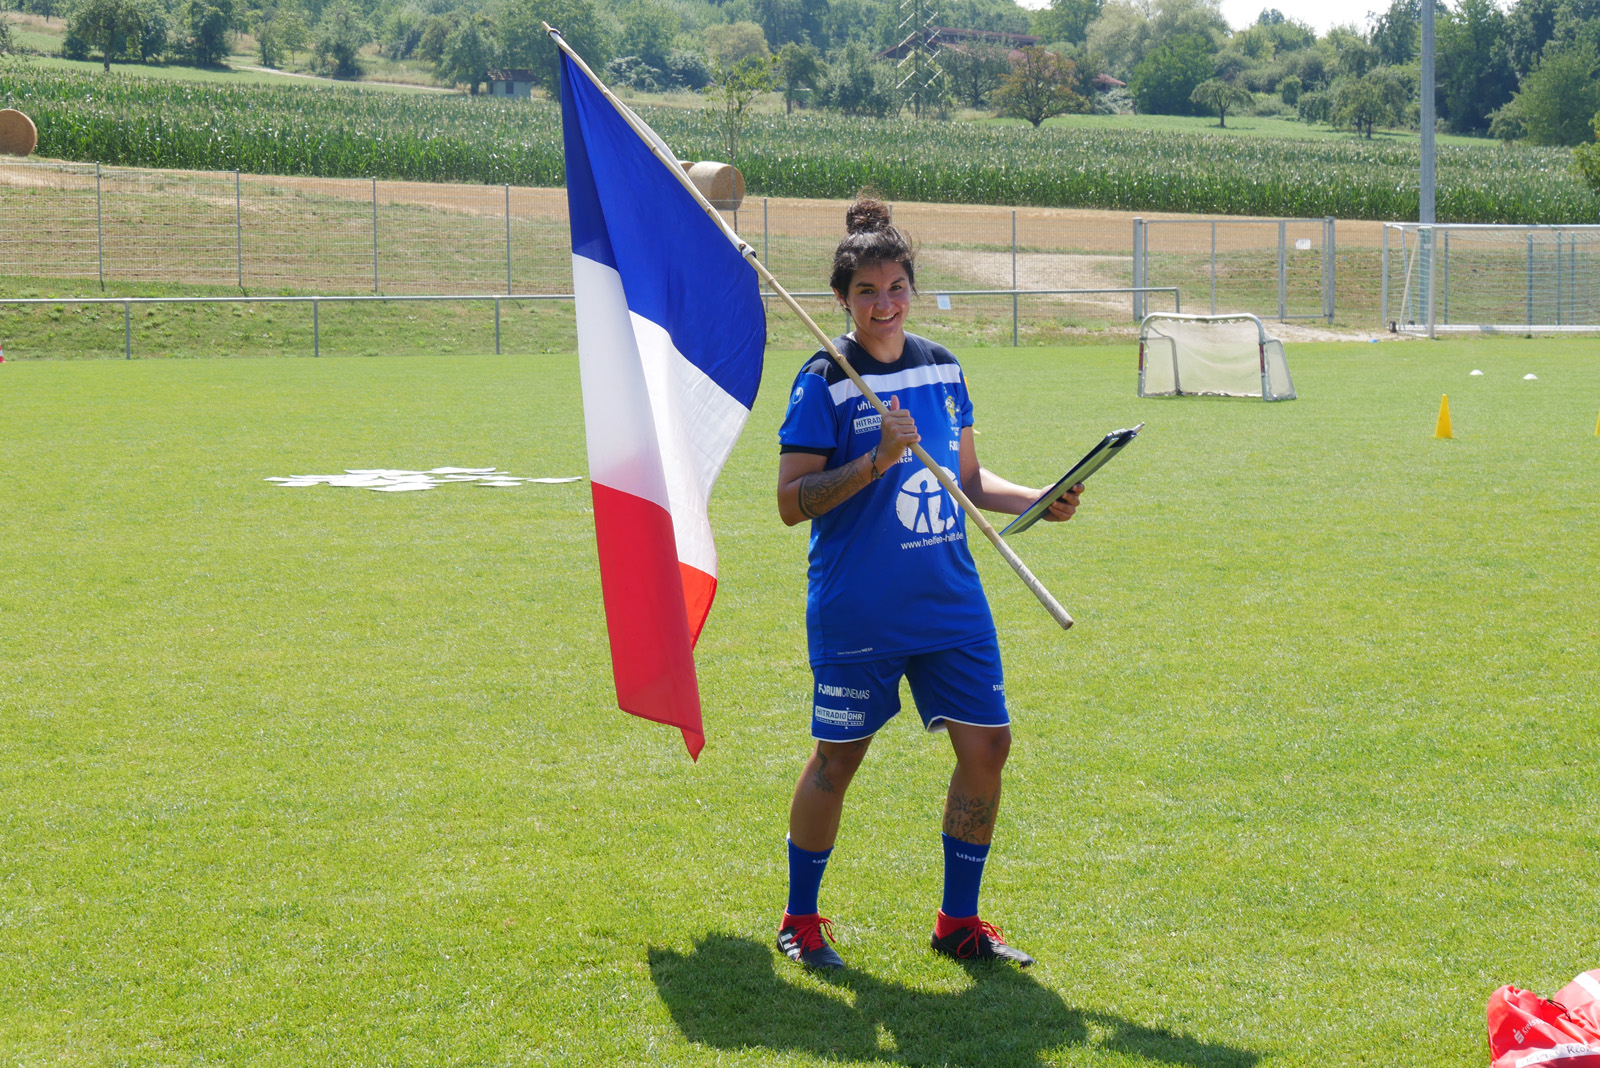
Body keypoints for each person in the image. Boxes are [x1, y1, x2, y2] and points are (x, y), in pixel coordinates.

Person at [774, 196, 1083, 970]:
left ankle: (958, 922)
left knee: (988, 748)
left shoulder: (943, 366)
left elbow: (967, 479)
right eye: (867, 292)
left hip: (951, 601)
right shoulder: (824, 379)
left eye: (896, 288)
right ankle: (800, 921)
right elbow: (791, 502)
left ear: (913, 288)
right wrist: (875, 461)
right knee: (837, 761)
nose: (885, 305)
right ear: (842, 300)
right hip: (860, 608)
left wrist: (1038, 499)